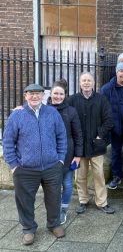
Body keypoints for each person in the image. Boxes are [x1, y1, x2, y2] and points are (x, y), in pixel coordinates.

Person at [3, 84, 67, 245]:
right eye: (31, 94)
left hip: (52, 166)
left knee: (53, 198)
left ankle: (54, 224)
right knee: (25, 201)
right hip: (25, 169)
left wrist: (60, 159)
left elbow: (62, 137)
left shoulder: (52, 113)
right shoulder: (17, 116)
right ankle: (28, 229)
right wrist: (13, 165)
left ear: (43, 96)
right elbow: (8, 141)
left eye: (38, 94)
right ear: (25, 96)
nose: (35, 97)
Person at [68, 72, 115, 215]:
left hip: (96, 146)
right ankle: (83, 200)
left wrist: (100, 135)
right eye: (84, 81)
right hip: (79, 146)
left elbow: (109, 120)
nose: (86, 83)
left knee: (99, 175)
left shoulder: (101, 99)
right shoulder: (72, 100)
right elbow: (62, 114)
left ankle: (102, 202)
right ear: (80, 83)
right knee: (80, 176)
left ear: (93, 83)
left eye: (89, 80)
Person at [47, 79, 83, 224]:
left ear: (65, 95)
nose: (58, 96)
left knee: (67, 184)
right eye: (55, 93)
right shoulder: (43, 109)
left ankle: (63, 209)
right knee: (52, 186)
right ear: (50, 93)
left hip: (67, 154)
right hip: (49, 155)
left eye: (61, 94)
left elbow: (78, 134)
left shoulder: (71, 111)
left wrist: (78, 155)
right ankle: (53, 209)